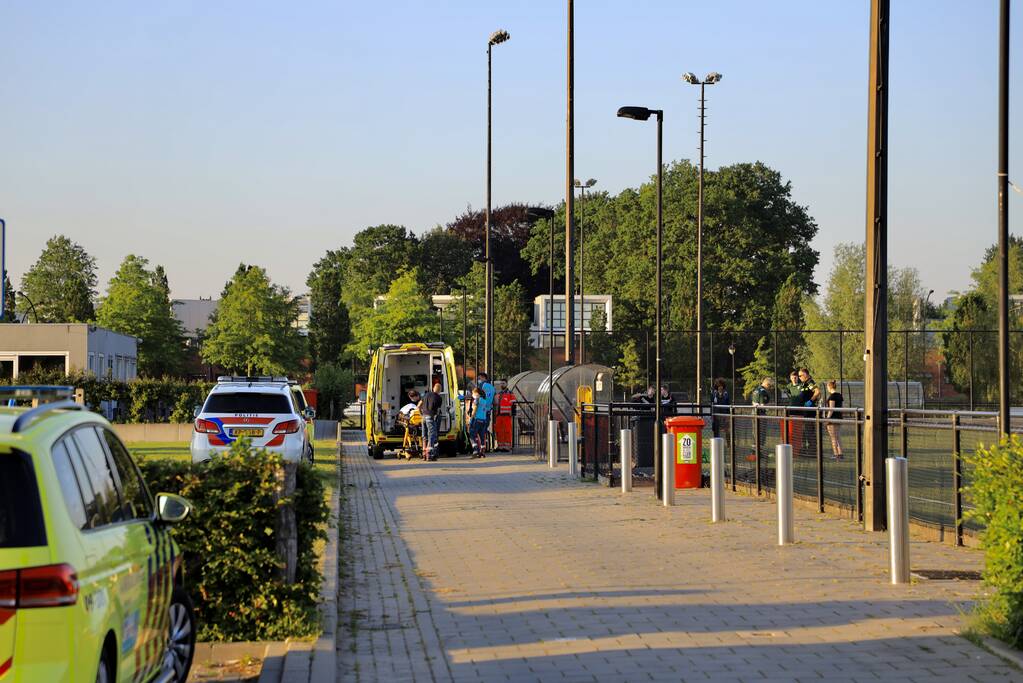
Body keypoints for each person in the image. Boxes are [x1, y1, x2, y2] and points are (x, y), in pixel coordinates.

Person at [418, 383, 442, 461]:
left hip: (423, 417)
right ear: (440, 390)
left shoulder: (426, 395)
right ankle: (429, 454)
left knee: (424, 436)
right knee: (431, 435)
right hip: (430, 417)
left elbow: (419, 406)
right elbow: (438, 411)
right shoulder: (438, 397)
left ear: (433, 388)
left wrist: (421, 414)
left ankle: (424, 454)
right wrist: (435, 417)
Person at [824, 380, 844, 460]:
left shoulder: (832, 396)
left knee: (833, 437)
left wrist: (827, 419)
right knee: (838, 436)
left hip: (833, 419)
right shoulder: (839, 395)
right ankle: (840, 454)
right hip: (839, 418)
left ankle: (836, 454)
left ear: (829, 387)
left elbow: (831, 409)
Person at [468, 387, 488, 458]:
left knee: (472, 435)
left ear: (477, 393)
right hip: (483, 420)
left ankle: (475, 450)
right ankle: (482, 451)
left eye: (473, 393)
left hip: (477, 420)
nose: (472, 394)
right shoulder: (484, 401)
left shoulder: (477, 400)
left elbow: (475, 409)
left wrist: (471, 417)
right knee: (482, 436)